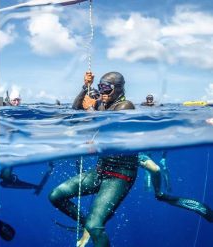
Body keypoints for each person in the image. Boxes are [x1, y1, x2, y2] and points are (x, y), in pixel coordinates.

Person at [49, 71, 213, 247]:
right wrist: (84, 88)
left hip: (120, 176)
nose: (102, 91)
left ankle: (95, 224)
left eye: (106, 88)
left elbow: (107, 128)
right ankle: (86, 224)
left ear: (118, 88)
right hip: (100, 170)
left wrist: (90, 109)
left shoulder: (125, 106)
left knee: (95, 225)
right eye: (100, 87)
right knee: (56, 196)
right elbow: (76, 109)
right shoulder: (102, 104)